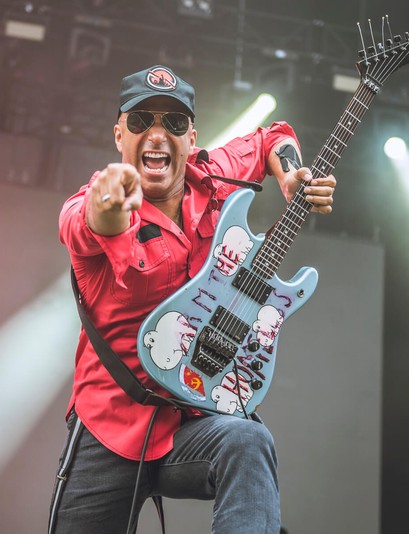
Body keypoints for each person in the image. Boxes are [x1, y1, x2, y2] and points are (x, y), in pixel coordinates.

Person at [50, 65, 336, 533]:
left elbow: (273, 136)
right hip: (110, 429)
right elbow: (88, 220)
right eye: (140, 121)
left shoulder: (214, 176)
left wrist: (289, 178)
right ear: (119, 135)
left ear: (191, 137)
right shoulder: (93, 203)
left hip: (192, 421)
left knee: (248, 440)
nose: (157, 133)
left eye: (174, 122)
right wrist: (107, 203)